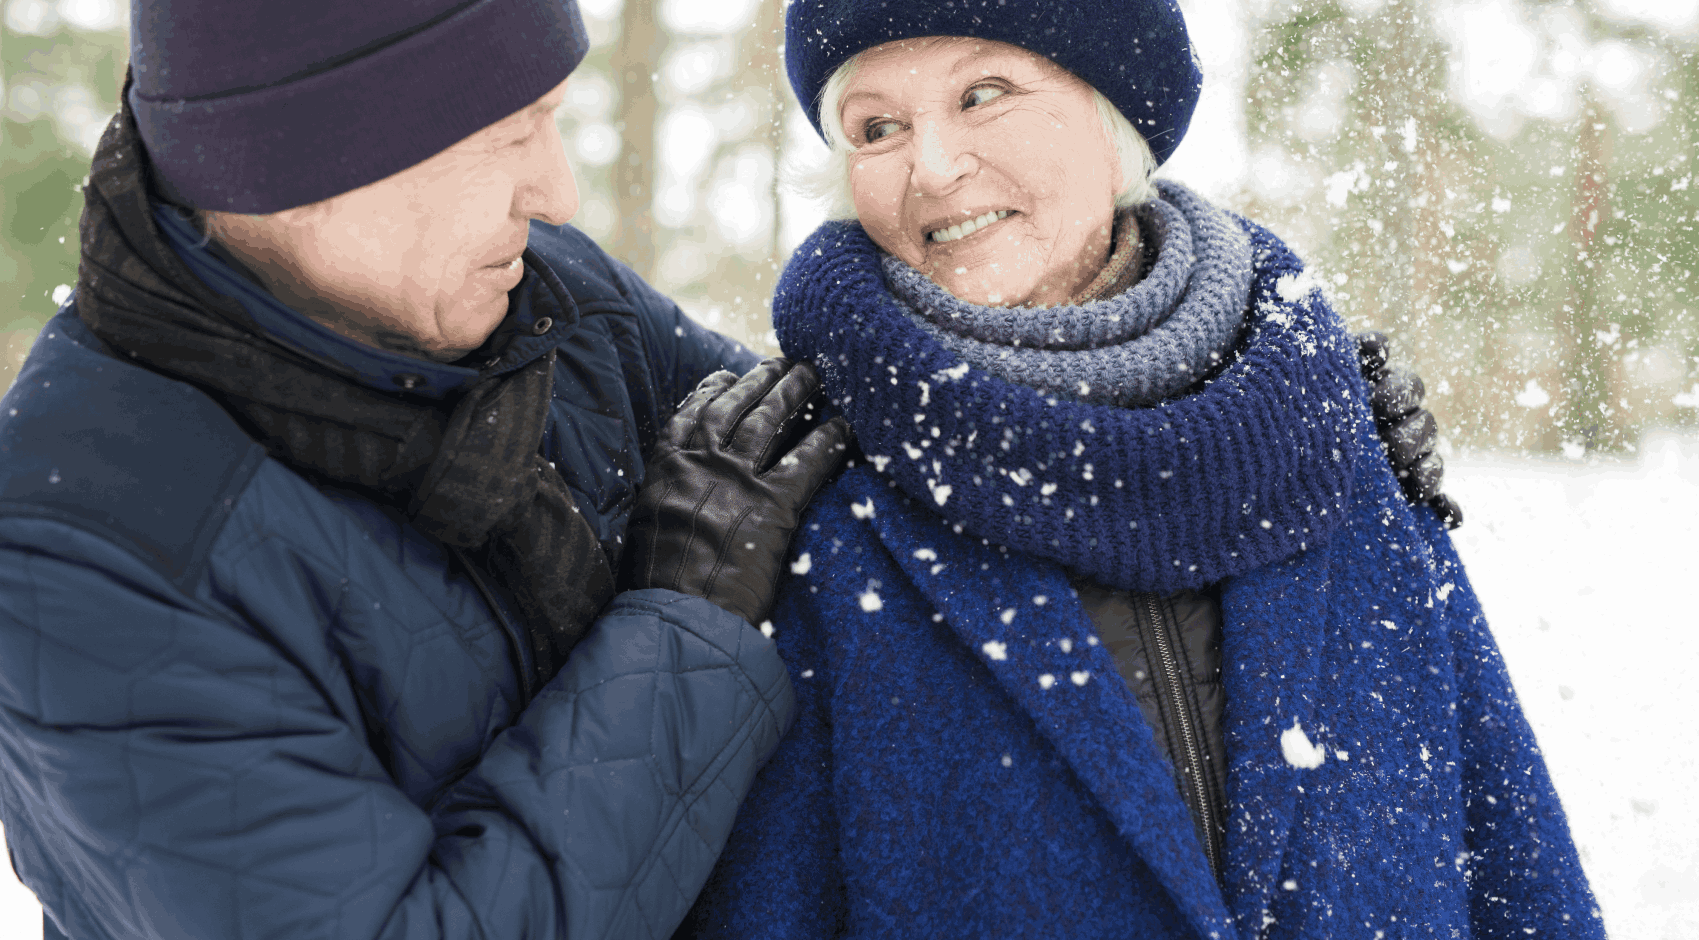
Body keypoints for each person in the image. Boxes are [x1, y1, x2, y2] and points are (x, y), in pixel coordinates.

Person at [680, 1, 1602, 938]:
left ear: (1114, 112)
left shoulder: (1329, 429)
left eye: (984, 93)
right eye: (877, 127)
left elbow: (1514, 868)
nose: (933, 166)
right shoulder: (806, 492)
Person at [0, 1, 846, 938]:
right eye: (506, 134)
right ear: (303, 167)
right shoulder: (84, 558)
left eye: (552, 118)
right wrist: (687, 625)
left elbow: (806, 461)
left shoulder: (537, 290)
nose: (556, 192)